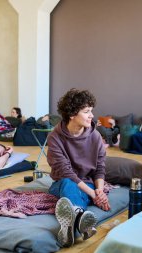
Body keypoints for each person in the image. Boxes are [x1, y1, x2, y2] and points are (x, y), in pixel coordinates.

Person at [47, 88, 109, 247]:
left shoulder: (95, 136)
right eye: (87, 111)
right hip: (62, 183)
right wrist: (93, 195)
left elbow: (100, 167)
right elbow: (65, 172)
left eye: (91, 111)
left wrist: (99, 191)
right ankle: (81, 219)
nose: (92, 115)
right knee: (69, 183)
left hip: (87, 184)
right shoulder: (55, 138)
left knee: (76, 191)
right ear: (72, 114)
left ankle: (71, 224)